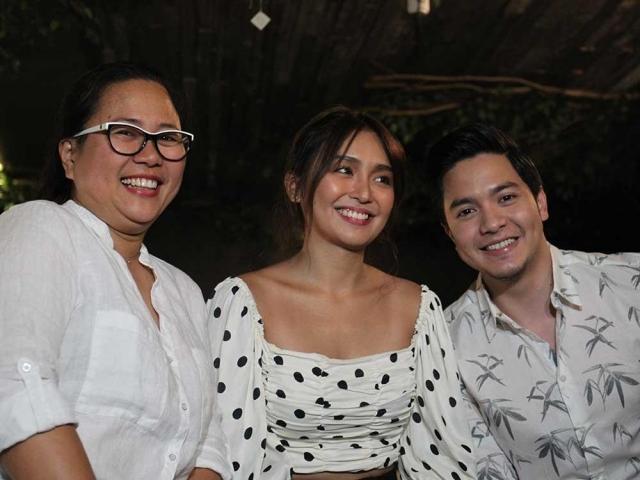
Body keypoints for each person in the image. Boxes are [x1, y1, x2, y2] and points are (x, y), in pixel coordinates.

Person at [207, 106, 475, 479]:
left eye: (382, 179)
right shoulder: (242, 303)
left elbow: (443, 457)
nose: (364, 192)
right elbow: (223, 452)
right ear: (295, 186)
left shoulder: (419, 308)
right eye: (344, 170)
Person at [0, 63, 229, 480]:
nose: (151, 155)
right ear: (70, 156)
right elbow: (16, 386)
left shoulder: (185, 291)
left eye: (168, 138)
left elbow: (209, 443)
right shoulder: (41, 229)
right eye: (125, 132)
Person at [425, 123, 640, 479]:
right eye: (466, 212)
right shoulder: (446, 349)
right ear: (450, 233)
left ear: (540, 203)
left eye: (506, 198)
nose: (492, 223)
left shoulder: (630, 283)